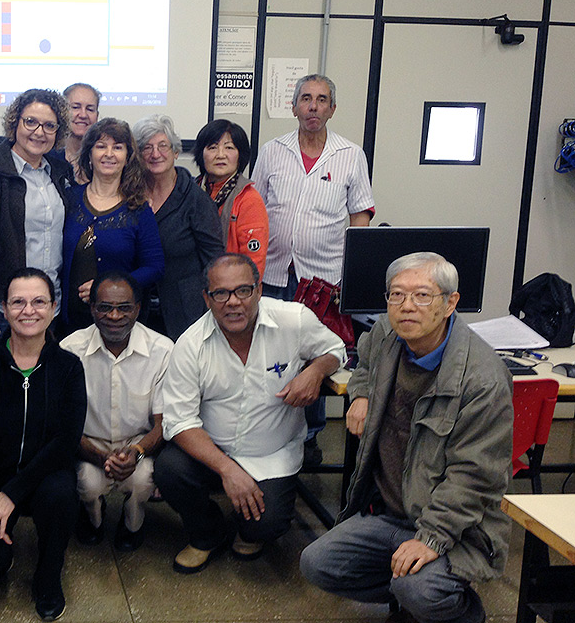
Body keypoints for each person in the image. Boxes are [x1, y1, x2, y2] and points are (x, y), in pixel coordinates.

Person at [300, 252, 512, 623]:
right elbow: (363, 359)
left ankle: (460, 612)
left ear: (450, 303)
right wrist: (362, 393)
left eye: (422, 296)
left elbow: (473, 478)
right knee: (317, 564)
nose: (406, 307)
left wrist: (430, 539)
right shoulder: (387, 333)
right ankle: (410, 591)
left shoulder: (483, 380)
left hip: (458, 527)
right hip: (390, 513)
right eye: (396, 295)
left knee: (419, 590)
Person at [154, 253, 344, 573]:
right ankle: (207, 533)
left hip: (272, 453)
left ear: (258, 290)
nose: (233, 302)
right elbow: (179, 422)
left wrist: (315, 371)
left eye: (243, 290)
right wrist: (228, 470)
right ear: (207, 298)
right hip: (213, 452)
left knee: (265, 528)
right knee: (168, 469)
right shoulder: (190, 345)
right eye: (220, 293)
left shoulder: (293, 319)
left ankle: (248, 527)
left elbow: (335, 349)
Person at [251, 74, 376, 465]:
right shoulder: (272, 150)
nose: (313, 107)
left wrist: (351, 277)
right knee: (269, 353)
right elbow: (253, 206)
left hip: (323, 279)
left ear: (332, 109)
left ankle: (310, 438)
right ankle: (263, 430)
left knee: (317, 354)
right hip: (272, 271)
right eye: (306, 98)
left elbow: (360, 216)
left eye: (322, 100)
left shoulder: (350, 154)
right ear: (294, 106)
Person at [0, 268, 87, 621]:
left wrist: (10, 495)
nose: (29, 310)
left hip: (41, 480)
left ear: (54, 307)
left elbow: (65, 442)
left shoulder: (69, 368)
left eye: (39, 301)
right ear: (3, 307)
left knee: (61, 492)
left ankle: (48, 573)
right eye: (18, 302)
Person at [60, 271, 172, 552]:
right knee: (88, 482)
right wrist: (97, 456)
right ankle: (93, 518)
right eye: (104, 307)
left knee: (142, 479)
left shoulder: (162, 350)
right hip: (87, 445)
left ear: (138, 308)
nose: (113, 316)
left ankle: (133, 523)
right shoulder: (69, 350)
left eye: (124, 308)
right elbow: (63, 424)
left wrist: (136, 453)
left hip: (138, 445)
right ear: (92, 308)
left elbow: (162, 424)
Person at [0, 88, 75, 345]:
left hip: (50, 307)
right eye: (31, 122)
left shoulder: (59, 172)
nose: (39, 132)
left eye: (50, 125)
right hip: (4, 308)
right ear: (15, 123)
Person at [61, 117, 165, 332]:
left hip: (116, 322)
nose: (109, 154)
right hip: (67, 322)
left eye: (117, 147)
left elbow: (154, 267)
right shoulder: (68, 199)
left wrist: (107, 287)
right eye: (101, 146)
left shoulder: (139, 209)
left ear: (128, 157)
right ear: (89, 154)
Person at [134, 114, 224, 340]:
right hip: (135, 309)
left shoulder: (196, 200)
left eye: (163, 146)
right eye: (147, 147)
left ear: (175, 152)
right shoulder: (130, 195)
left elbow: (214, 261)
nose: (155, 154)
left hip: (183, 313)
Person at [193, 119, 268, 279]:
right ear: (201, 153)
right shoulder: (189, 191)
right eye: (212, 148)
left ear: (240, 155)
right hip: (189, 285)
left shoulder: (248, 199)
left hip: (230, 288)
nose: (220, 155)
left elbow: (254, 261)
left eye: (229, 147)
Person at [59, 82, 100, 181]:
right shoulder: (48, 157)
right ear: (62, 111)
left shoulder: (102, 158)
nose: (83, 115)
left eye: (90, 109)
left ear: (97, 116)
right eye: (75, 107)